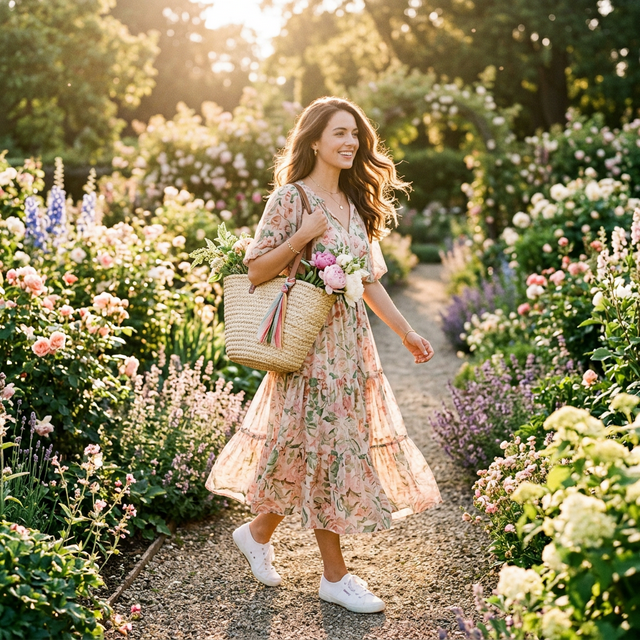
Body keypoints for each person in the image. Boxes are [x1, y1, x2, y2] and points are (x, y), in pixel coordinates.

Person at [206, 96, 442, 614]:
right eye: (339, 133)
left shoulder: (354, 207)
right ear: (313, 140)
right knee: (327, 450)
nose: (350, 142)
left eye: (355, 135)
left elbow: (370, 282)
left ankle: (257, 532)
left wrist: (405, 332)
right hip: (307, 348)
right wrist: (303, 236)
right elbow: (256, 272)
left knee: (305, 447)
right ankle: (335, 577)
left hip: (350, 346)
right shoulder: (289, 199)